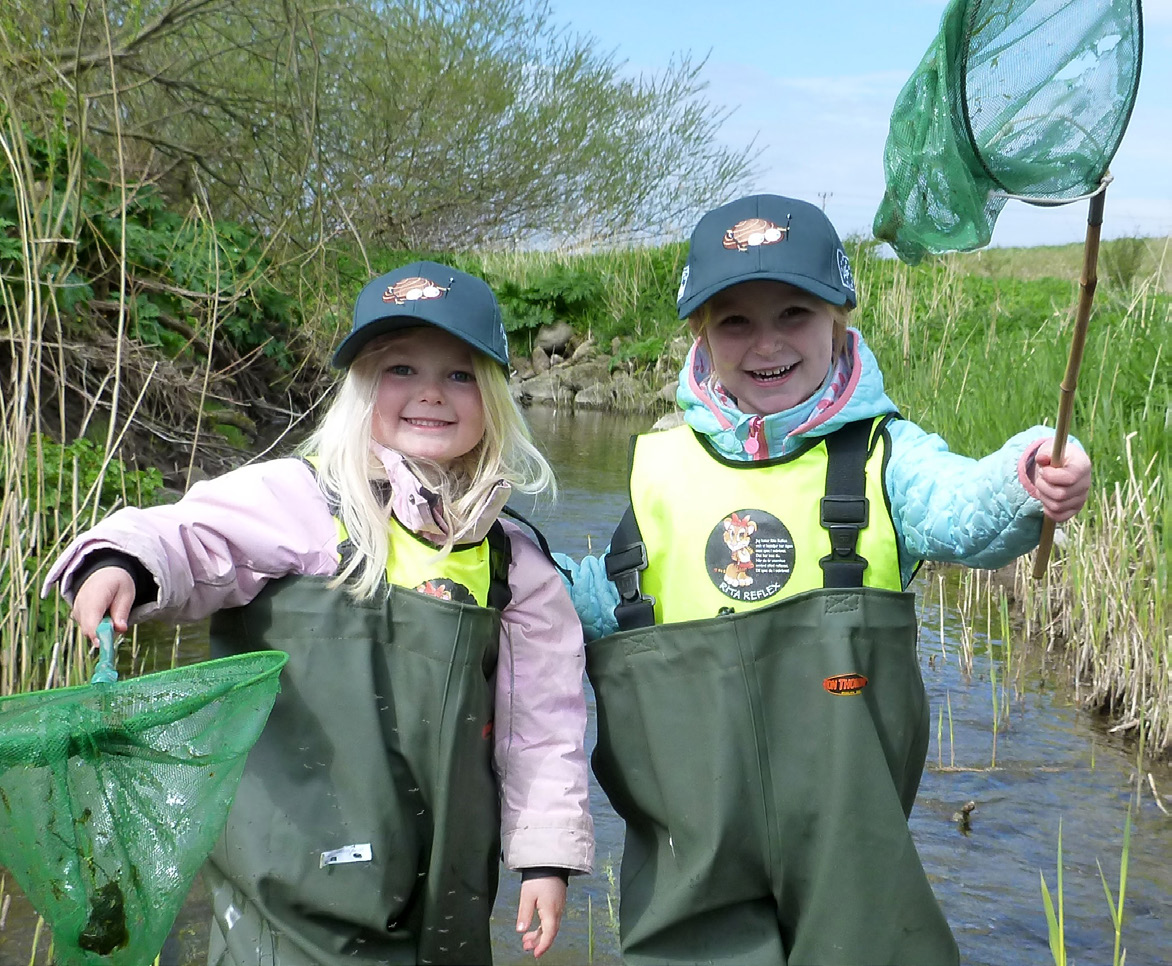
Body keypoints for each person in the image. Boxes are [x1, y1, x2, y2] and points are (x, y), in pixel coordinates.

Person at [559, 195, 1091, 966]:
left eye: (795, 313)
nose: (766, 342)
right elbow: (602, 602)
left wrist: (1031, 471)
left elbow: (964, 510)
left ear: (840, 317)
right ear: (700, 334)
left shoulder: (886, 454)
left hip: (850, 845)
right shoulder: (660, 464)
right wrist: (506, 572)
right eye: (734, 320)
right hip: (692, 848)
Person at [43, 262, 594, 966]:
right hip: (293, 884)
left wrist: (545, 858)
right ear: (361, 387)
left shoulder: (518, 562)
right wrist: (120, 561)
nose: (430, 393)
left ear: (494, 396)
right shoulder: (300, 502)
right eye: (400, 369)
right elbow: (190, 536)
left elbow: (544, 728)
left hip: (446, 889)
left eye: (460, 374)